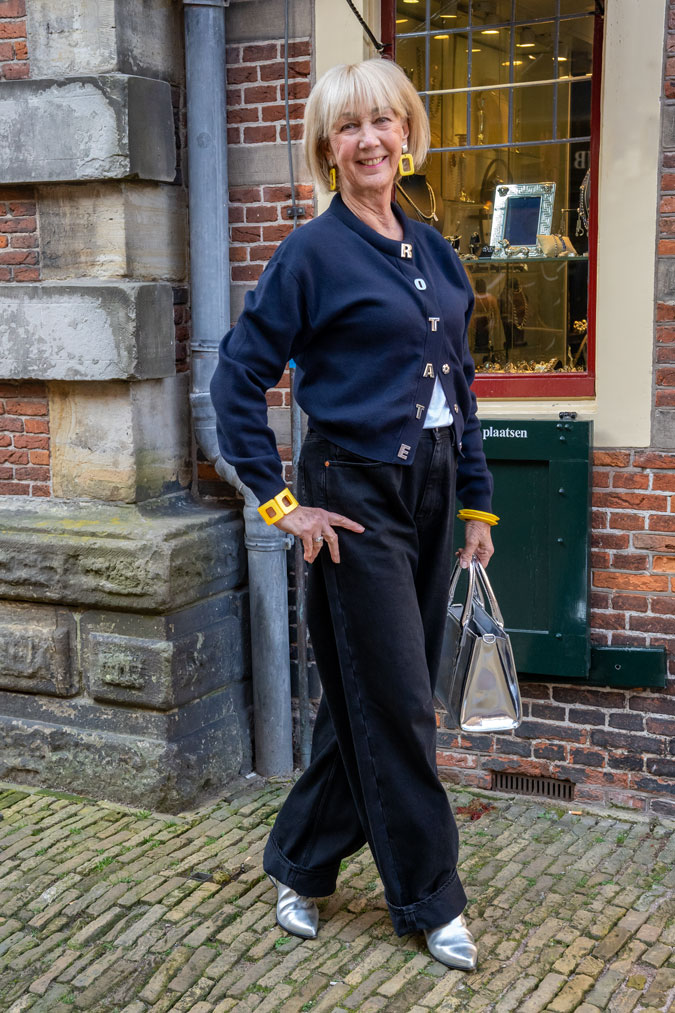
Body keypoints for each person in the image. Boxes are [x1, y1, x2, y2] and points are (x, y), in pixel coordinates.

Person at [210, 58, 497, 971]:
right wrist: (284, 505)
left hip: (427, 487)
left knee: (368, 700)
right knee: (403, 706)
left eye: (383, 121)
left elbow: (460, 386)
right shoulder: (310, 252)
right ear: (327, 147)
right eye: (349, 127)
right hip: (350, 500)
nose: (370, 140)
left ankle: (298, 861)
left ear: (406, 130)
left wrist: (476, 503)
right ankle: (428, 897)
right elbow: (236, 381)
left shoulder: (432, 246)